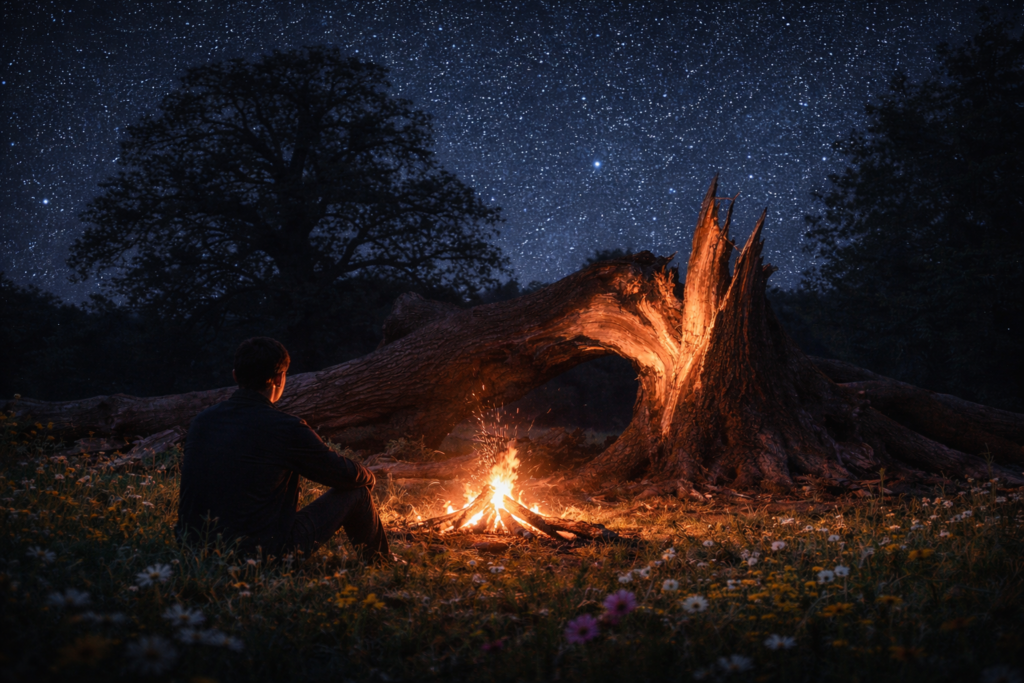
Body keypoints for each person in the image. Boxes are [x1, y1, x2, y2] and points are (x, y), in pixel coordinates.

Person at [175, 337, 390, 563]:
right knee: (357, 492)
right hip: (258, 556)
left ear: (235, 376)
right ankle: (382, 565)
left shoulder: (202, 421)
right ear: (279, 378)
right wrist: (369, 476)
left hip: (193, 551)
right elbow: (342, 474)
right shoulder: (285, 427)